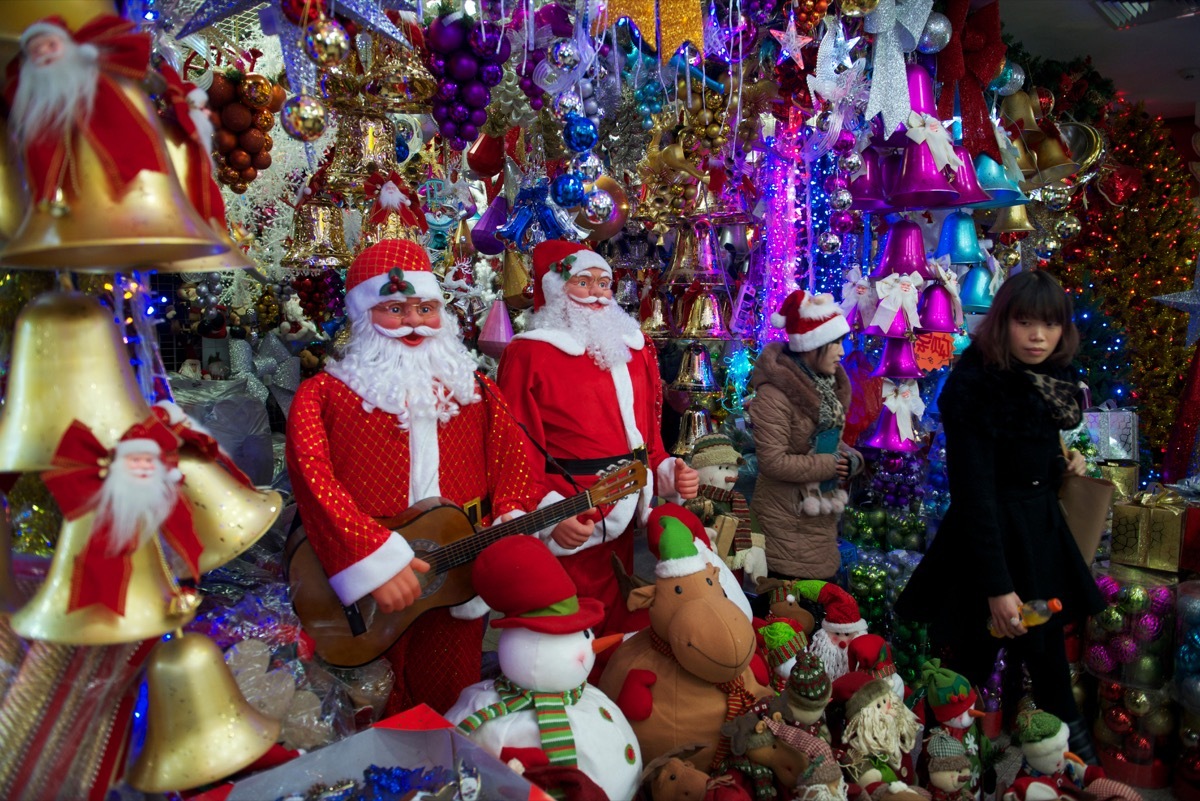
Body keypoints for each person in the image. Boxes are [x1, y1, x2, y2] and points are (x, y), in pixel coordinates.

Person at [286, 238, 540, 714]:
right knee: (367, 707)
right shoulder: (323, 395)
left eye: (425, 308)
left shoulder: (476, 390)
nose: (413, 322)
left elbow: (512, 457)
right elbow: (313, 480)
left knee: (449, 699)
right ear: (364, 316)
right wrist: (371, 559)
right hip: (367, 597)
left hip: (457, 580)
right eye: (395, 308)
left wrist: (512, 513)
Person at [895, 270, 1104, 763]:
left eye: (1049, 325)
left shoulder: (1046, 382)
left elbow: (1024, 458)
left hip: (1038, 534)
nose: (1037, 336)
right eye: (1025, 322)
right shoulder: (977, 386)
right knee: (968, 664)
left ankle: (1075, 770)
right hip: (987, 541)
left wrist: (1061, 464)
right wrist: (997, 586)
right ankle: (941, 770)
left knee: (1049, 659)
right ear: (1003, 323)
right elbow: (976, 493)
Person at [496, 240, 699, 636]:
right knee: (562, 624)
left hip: (624, 505)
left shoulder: (636, 350)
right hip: (571, 509)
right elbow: (515, 451)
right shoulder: (529, 355)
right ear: (556, 289)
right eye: (583, 282)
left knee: (618, 614)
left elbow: (648, 432)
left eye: (605, 283)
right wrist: (548, 514)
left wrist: (666, 469)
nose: (598, 294)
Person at [749, 289, 863, 582]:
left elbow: (831, 443)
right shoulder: (774, 395)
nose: (841, 351)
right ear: (813, 346)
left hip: (818, 519)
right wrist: (830, 464)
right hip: (786, 525)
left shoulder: (825, 389)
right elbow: (772, 462)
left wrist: (852, 461)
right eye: (835, 343)